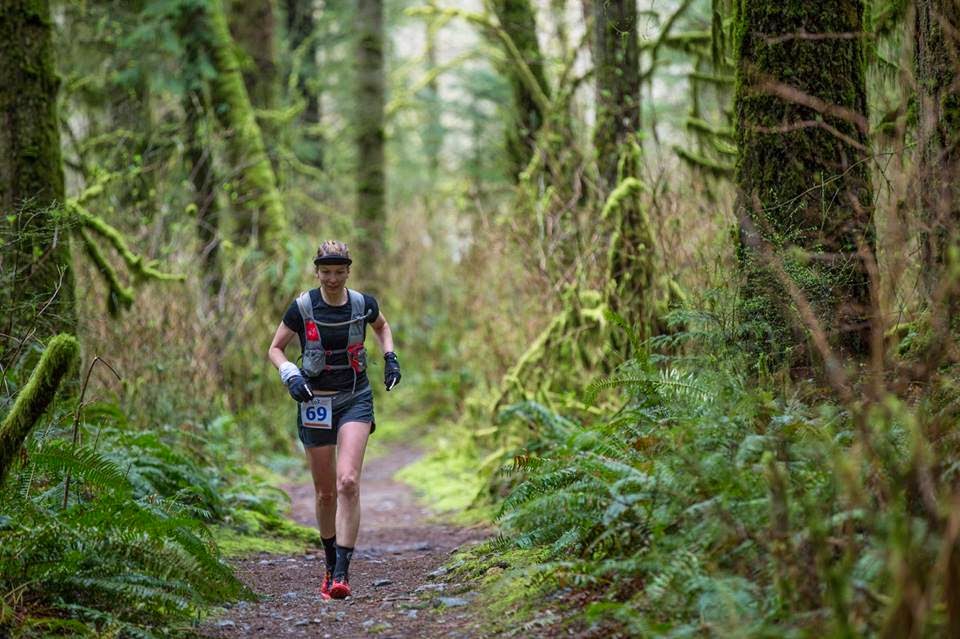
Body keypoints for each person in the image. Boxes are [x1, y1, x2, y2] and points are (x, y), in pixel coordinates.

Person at [267, 240, 401, 600]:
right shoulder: (302, 307)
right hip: (315, 402)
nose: (332, 279)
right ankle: (329, 565)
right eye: (326, 272)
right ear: (317, 272)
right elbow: (275, 348)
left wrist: (390, 357)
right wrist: (289, 374)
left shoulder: (362, 304)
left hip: (355, 397)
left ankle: (342, 572)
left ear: (348, 271)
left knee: (348, 482)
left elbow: (382, 327)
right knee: (325, 493)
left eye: (339, 272)